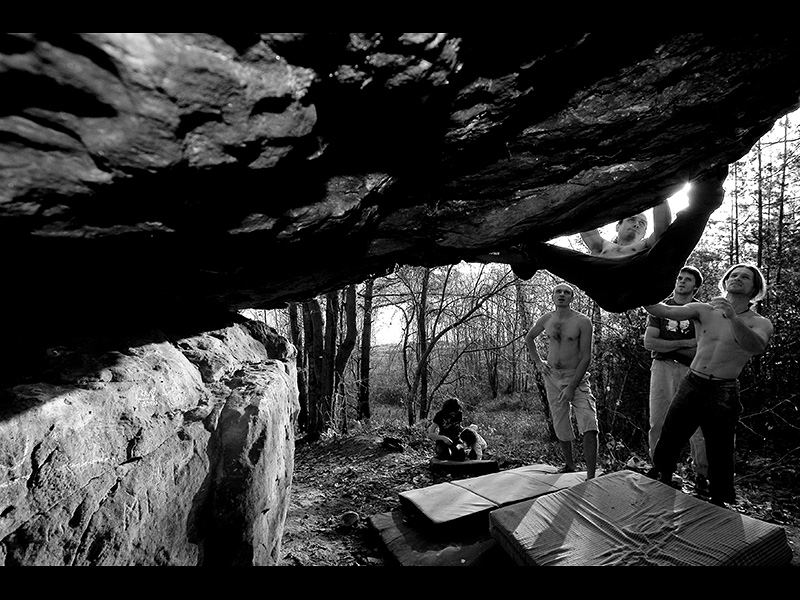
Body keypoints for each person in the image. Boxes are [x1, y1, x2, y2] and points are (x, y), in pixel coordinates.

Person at [506, 166, 728, 312]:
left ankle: (706, 195)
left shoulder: (647, 246)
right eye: (632, 219)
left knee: (672, 243)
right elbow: (585, 223)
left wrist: (657, 194)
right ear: (618, 225)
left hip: (645, 281)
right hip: (606, 287)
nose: (637, 224)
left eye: (642, 224)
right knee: (551, 253)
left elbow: (662, 229)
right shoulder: (600, 246)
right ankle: (527, 254)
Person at [644, 263, 773, 507]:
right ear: (725, 282)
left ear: (755, 289)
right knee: (670, 435)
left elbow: (755, 346)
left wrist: (733, 317)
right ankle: (663, 481)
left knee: (720, 448)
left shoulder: (760, 322)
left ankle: (719, 502)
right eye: (733, 275)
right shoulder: (705, 310)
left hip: (723, 390)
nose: (737, 279)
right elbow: (662, 310)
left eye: (745, 277)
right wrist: (638, 288)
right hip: (693, 382)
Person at [643, 265, 709, 496]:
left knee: (696, 426)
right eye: (679, 277)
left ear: (695, 286)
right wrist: (684, 344)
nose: (681, 281)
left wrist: (670, 346)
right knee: (658, 421)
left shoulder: (701, 310)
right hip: (661, 368)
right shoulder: (661, 308)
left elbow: (701, 349)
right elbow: (650, 343)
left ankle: (701, 475)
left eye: (687, 279)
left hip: (692, 372)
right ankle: (660, 468)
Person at [525, 282, 599, 479]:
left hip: (576, 377)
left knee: (589, 422)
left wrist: (572, 386)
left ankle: (591, 476)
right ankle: (569, 465)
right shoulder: (547, 319)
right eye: (558, 291)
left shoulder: (582, 321)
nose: (562, 294)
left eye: (566, 292)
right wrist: (538, 362)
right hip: (552, 377)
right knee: (560, 421)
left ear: (572, 298)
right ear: (553, 296)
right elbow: (529, 338)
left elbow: (586, 357)